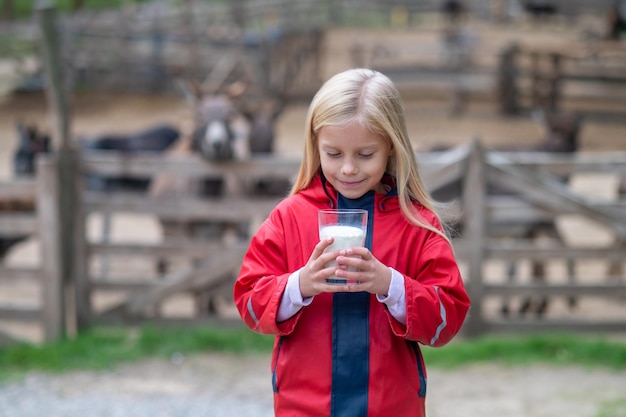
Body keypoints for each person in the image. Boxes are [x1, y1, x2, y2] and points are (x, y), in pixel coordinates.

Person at [233, 68, 470, 417]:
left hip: (391, 407)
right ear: (315, 144)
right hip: (303, 407)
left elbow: (447, 319)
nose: (348, 169)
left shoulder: (416, 223)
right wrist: (300, 284)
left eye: (364, 155)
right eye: (333, 154)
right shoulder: (289, 216)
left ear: (391, 145)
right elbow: (250, 303)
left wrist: (391, 285)